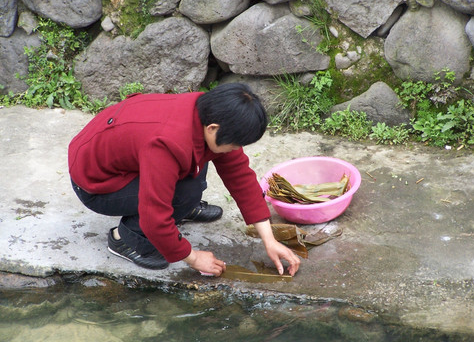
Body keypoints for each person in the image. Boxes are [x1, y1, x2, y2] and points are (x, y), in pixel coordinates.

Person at [68, 83, 300, 277]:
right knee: (186, 192)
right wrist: (193, 257)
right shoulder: (166, 144)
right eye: (235, 144)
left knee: (194, 175)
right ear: (212, 128)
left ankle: (181, 208)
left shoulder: (207, 112)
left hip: (124, 156)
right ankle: (125, 239)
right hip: (96, 183)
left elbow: (239, 174)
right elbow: (154, 219)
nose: (236, 149)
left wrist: (269, 239)